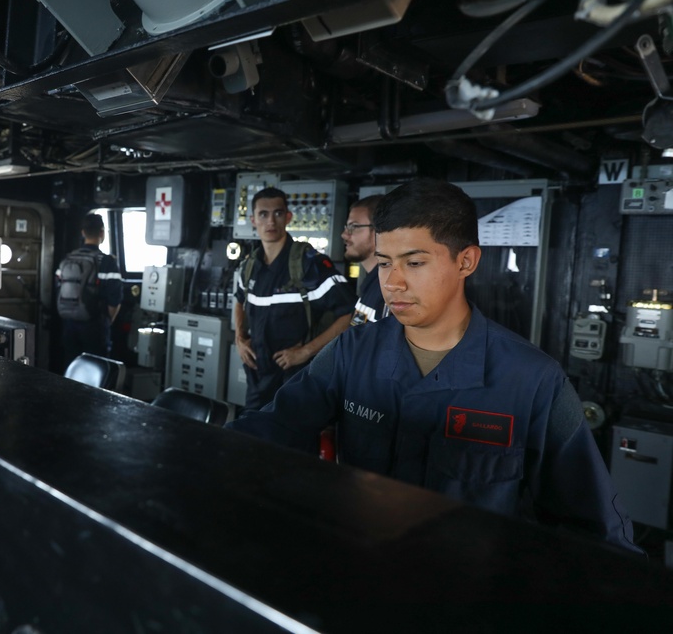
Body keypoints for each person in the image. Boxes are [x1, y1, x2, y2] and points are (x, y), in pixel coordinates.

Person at [229, 179, 639, 553]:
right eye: (386, 262)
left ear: (466, 262)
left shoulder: (532, 380)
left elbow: (595, 530)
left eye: (415, 262)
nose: (393, 283)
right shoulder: (352, 352)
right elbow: (273, 429)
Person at [234, 187, 356, 413]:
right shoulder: (249, 266)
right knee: (251, 438)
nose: (271, 221)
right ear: (252, 220)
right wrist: (239, 338)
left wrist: (307, 351)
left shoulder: (310, 265)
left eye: (278, 213)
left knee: (290, 442)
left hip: (295, 380)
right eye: (263, 214)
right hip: (257, 378)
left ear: (288, 217)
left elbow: (350, 314)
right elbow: (239, 299)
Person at [57, 212, 123, 368]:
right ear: (102, 233)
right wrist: (107, 321)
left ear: (83, 232)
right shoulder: (107, 262)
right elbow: (115, 298)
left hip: (69, 325)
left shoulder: (67, 259)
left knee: (71, 368)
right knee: (96, 370)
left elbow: (58, 289)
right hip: (95, 325)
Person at [342, 194, 389, 327]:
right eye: (347, 227)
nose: (344, 234)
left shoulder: (385, 287)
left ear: (378, 230)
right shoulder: (373, 282)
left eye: (354, 227)